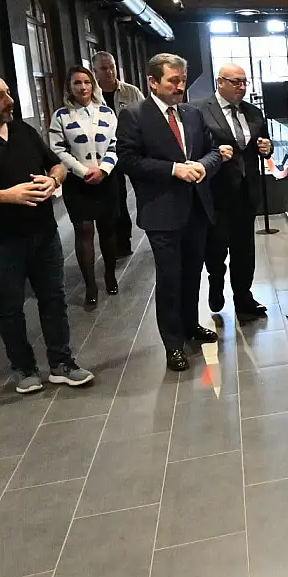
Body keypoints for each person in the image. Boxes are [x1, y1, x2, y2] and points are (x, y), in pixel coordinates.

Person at [0, 74, 94, 393]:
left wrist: (53, 181)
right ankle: (24, 368)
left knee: (54, 298)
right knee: (9, 306)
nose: (9, 100)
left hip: (43, 233)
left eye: (8, 93)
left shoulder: (23, 131)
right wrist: (5, 196)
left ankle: (61, 363)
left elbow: (56, 164)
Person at [116, 54, 222, 372]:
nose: (179, 87)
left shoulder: (192, 113)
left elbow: (213, 150)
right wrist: (174, 169)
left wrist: (202, 166)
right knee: (170, 278)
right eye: (173, 81)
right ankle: (173, 344)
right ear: (153, 81)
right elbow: (128, 160)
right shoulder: (135, 115)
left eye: (182, 80)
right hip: (162, 211)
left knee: (192, 273)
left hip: (197, 208)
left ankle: (191, 325)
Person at [191, 64, 272, 322]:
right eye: (235, 82)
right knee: (216, 248)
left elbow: (264, 145)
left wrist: (267, 148)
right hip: (216, 192)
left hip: (247, 192)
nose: (242, 87)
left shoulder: (254, 112)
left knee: (244, 249)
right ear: (220, 82)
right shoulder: (199, 111)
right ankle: (216, 285)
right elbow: (193, 150)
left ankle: (243, 297)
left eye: (244, 82)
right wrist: (214, 156)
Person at [49, 66, 121, 308]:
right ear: (69, 87)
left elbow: (115, 145)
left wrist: (103, 169)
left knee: (108, 229)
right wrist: (83, 171)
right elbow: (58, 149)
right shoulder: (61, 116)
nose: (82, 87)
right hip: (77, 182)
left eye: (87, 82)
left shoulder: (107, 113)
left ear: (93, 85)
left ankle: (110, 275)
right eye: (77, 83)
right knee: (84, 231)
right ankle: (90, 285)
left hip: (106, 178)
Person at [92, 51, 144, 257]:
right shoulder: (91, 95)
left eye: (112, 67)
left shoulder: (131, 92)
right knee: (117, 197)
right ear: (95, 71)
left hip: (131, 148)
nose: (109, 72)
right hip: (106, 153)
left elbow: (145, 116)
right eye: (104, 68)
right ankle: (121, 240)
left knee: (142, 190)